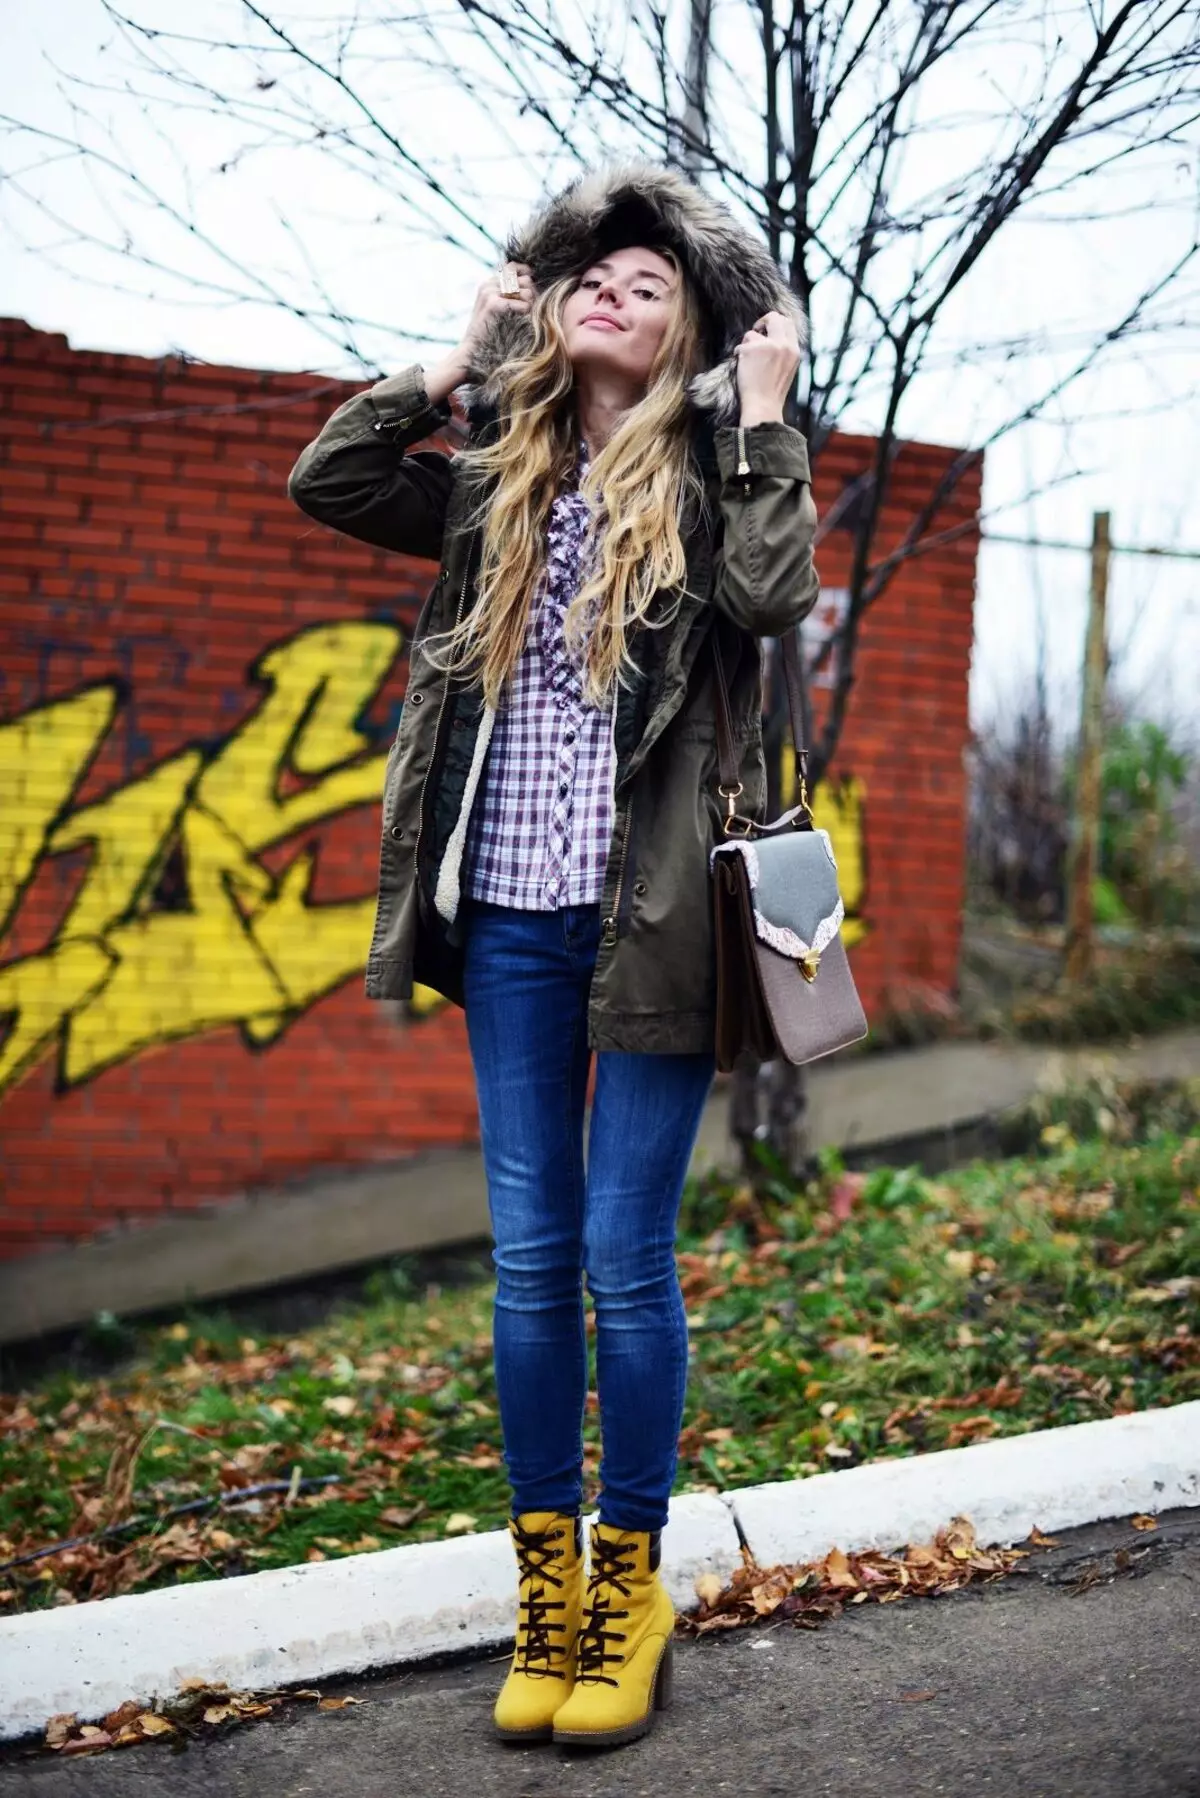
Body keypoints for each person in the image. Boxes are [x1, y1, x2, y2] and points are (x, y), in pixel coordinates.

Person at [288, 160, 820, 1752]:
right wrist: (457, 354)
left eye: (652, 286)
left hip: (652, 920)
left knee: (619, 1257)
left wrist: (768, 407)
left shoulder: (720, 474)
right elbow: (330, 476)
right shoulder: (493, 488)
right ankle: (547, 1592)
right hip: (513, 920)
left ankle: (630, 1579)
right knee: (528, 1264)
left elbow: (775, 592)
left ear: (692, 340)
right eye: (595, 275)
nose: (614, 291)